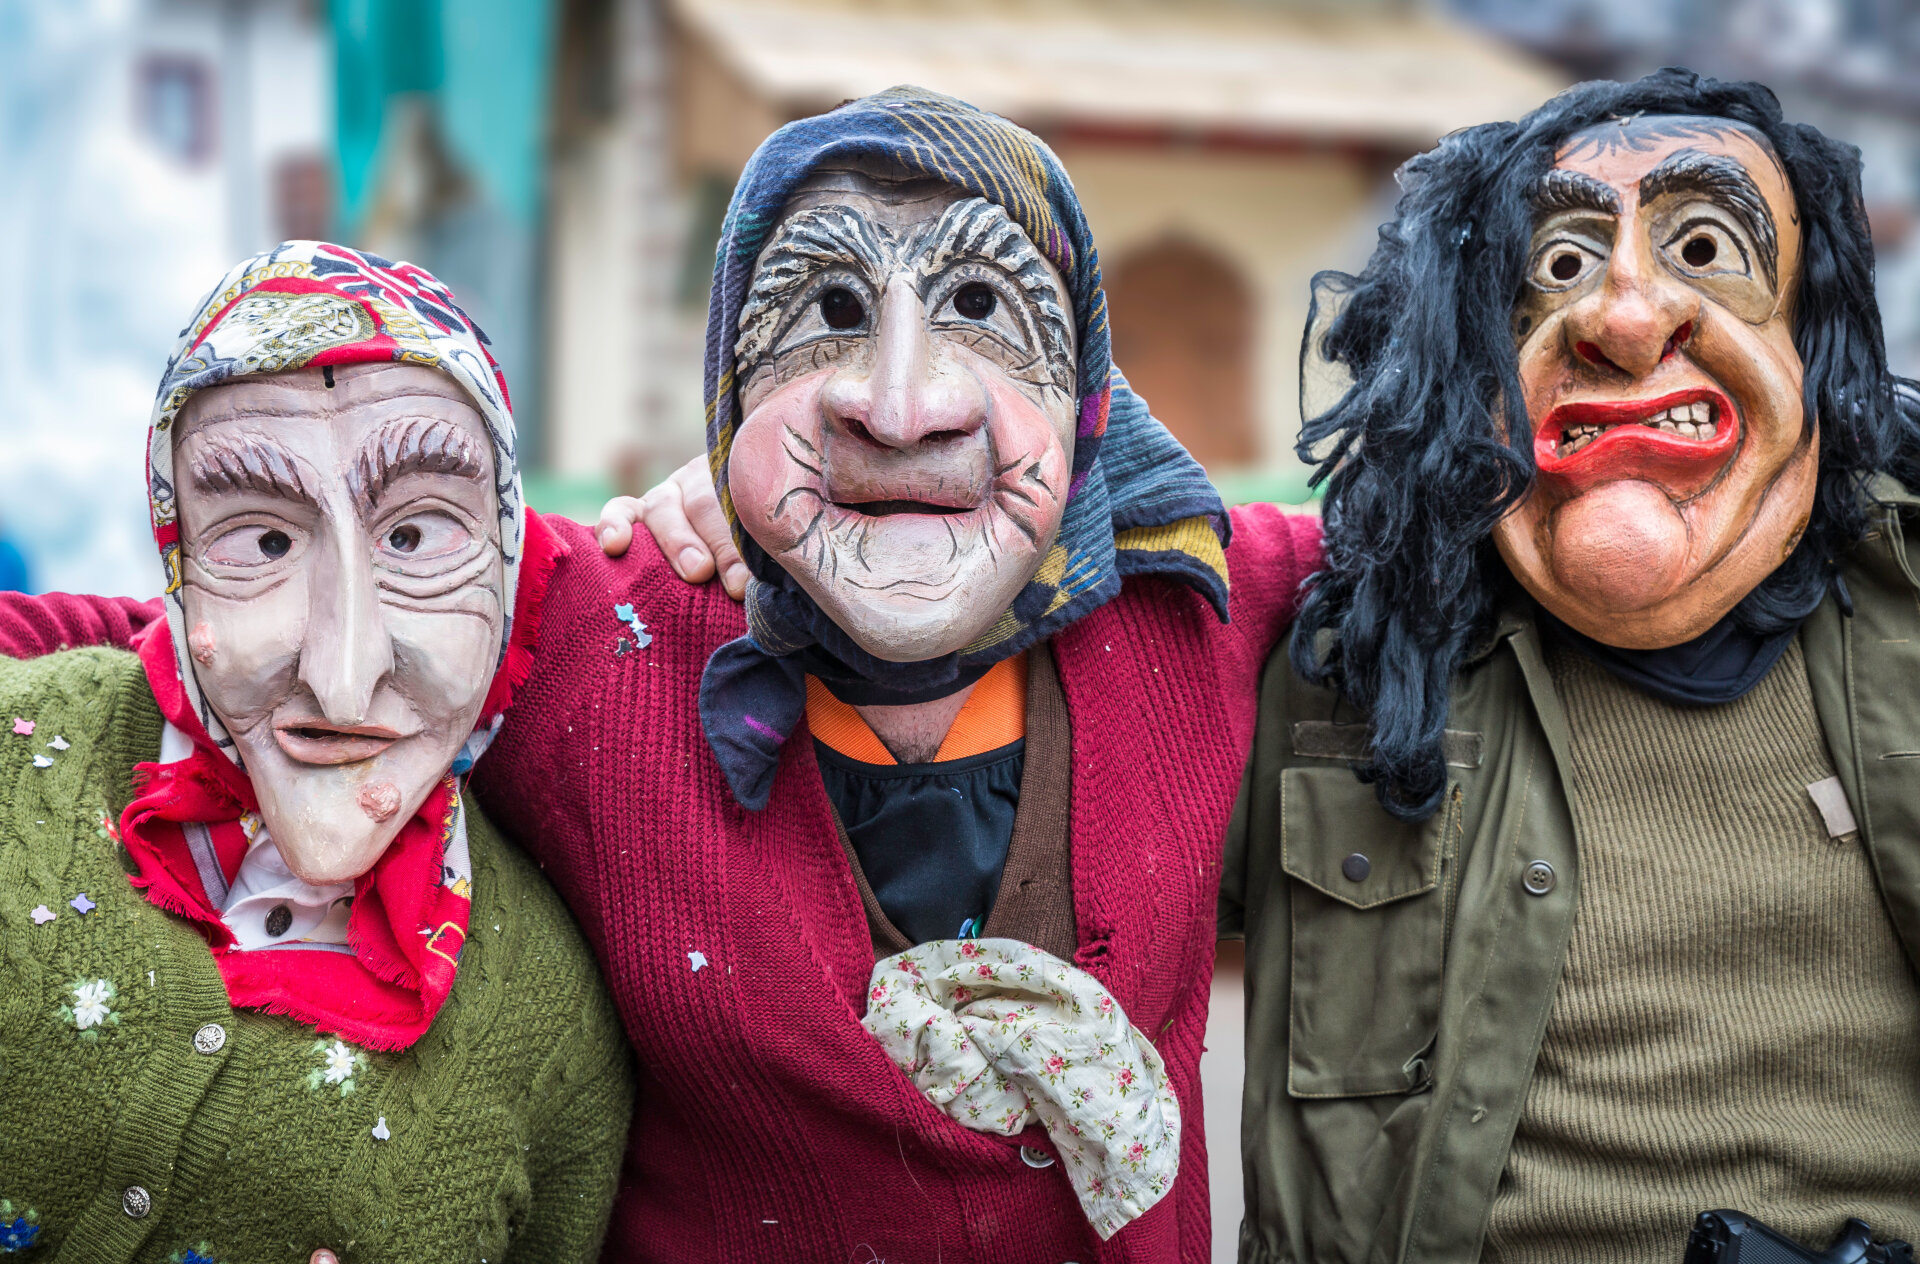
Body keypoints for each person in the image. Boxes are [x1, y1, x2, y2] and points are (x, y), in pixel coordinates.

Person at [1, 89, 1321, 1261]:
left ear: (1090, 388)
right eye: (825, 315)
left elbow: (1466, 551)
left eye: (984, 308)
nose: (901, 403)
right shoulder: (602, 627)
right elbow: (210, 629)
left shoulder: (1201, 607)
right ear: (728, 386)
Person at [1221, 69, 1920, 1262]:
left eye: (1707, 246)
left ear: (1814, 342)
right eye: (1556, 267)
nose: (1623, 314)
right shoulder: (1335, 664)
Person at [0, 241, 631, 1263]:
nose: (342, 675)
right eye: (263, 540)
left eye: (418, 538)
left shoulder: (549, 1032)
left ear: (510, 559)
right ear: (177, 562)